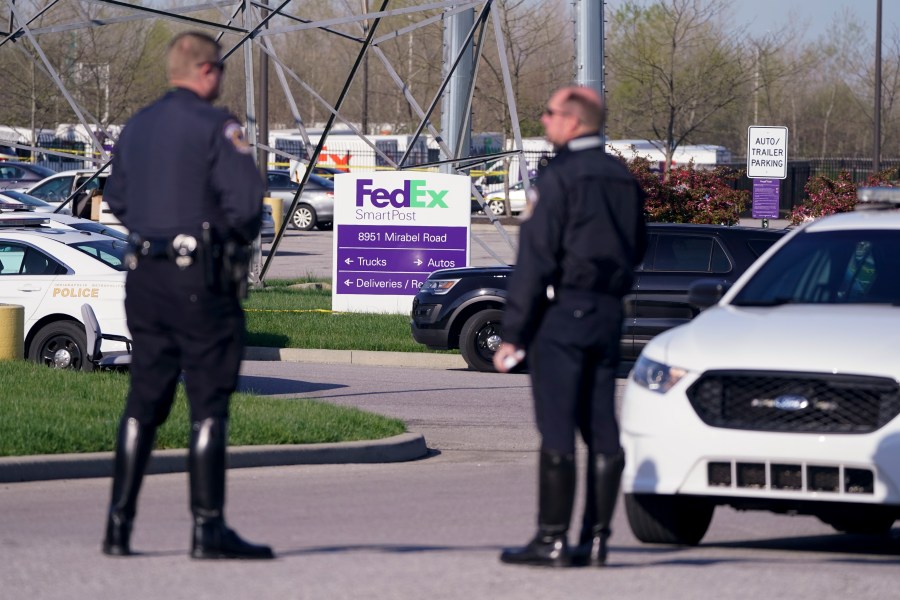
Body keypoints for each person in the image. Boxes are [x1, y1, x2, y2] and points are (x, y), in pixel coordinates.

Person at [101, 31, 273, 560]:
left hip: (144, 279)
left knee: (144, 401)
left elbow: (116, 198)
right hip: (200, 281)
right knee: (207, 403)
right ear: (205, 71)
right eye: (219, 69)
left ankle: (117, 527)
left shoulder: (138, 126)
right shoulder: (217, 127)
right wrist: (211, 237)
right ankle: (207, 529)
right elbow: (247, 208)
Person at [493, 86, 647, 568]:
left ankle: (552, 540)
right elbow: (639, 244)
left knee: (557, 425)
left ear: (574, 122)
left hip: (563, 315)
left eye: (550, 113)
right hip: (607, 313)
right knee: (602, 425)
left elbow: (535, 260)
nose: (544, 121)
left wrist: (513, 332)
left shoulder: (561, 177)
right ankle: (596, 538)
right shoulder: (622, 177)